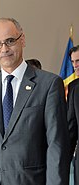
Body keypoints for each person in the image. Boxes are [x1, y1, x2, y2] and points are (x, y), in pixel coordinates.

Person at [0, 17, 70, 185]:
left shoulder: (49, 84)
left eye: (10, 41)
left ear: (22, 40)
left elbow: (56, 145)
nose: (4, 49)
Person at [67, 45, 79, 184]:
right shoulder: (74, 87)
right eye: (73, 62)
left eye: (78, 61)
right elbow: (71, 128)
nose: (75, 65)